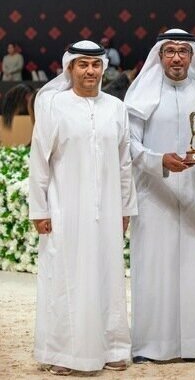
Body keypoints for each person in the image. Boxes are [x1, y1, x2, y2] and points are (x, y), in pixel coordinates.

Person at [28, 40, 137, 375]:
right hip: (65, 209)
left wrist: (125, 208)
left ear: (103, 68)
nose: (90, 71)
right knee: (67, 279)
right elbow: (39, 161)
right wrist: (40, 209)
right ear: (70, 68)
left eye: (95, 65)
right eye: (83, 65)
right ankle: (64, 353)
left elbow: (124, 163)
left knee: (108, 277)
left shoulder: (115, 108)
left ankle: (113, 347)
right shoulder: (54, 106)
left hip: (106, 211)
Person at [124, 28, 195, 363]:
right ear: (159, 56)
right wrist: (158, 161)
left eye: (183, 51)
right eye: (170, 51)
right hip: (154, 195)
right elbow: (130, 145)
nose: (177, 57)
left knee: (193, 266)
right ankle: (152, 346)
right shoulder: (143, 93)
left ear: (192, 56)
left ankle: (193, 345)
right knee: (154, 267)